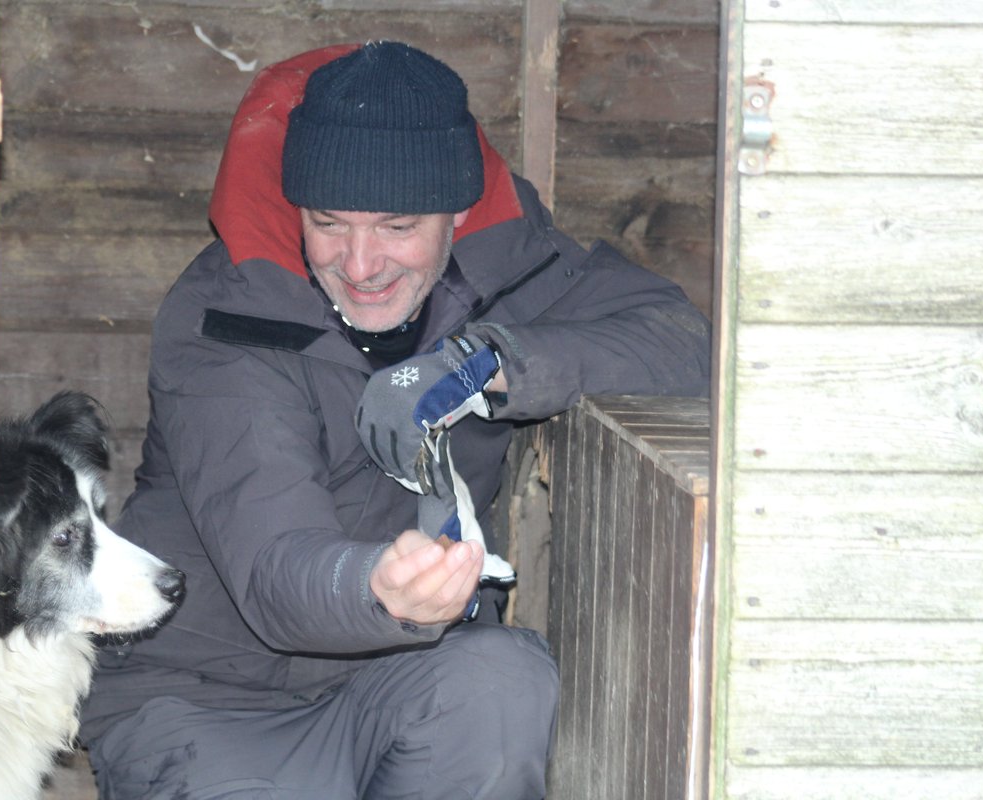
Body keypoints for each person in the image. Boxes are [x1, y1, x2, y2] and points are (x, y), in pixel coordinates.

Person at [79, 41, 711, 799]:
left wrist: (486, 364)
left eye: (397, 226)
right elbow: (277, 570)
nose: (360, 262)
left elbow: (680, 343)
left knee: (501, 679)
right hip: (203, 704)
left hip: (395, 688)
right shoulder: (228, 318)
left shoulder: (517, 271)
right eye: (328, 223)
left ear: (458, 211)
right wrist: (379, 588)